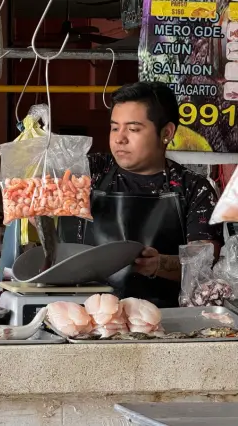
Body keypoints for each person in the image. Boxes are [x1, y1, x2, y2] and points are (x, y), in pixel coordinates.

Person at [59, 82, 223, 308]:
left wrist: (159, 263)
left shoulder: (194, 188)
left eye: (133, 129)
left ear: (166, 133)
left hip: (163, 320)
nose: (119, 139)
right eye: (115, 127)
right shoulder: (90, 172)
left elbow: (205, 266)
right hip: (83, 314)